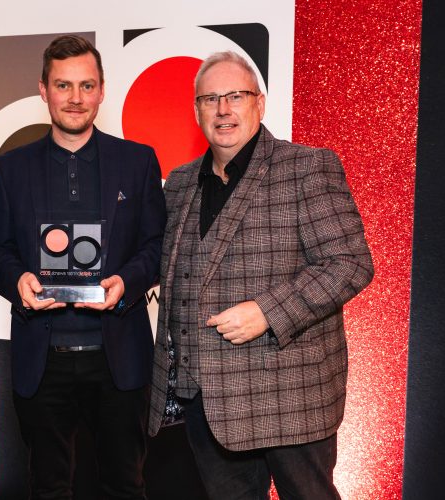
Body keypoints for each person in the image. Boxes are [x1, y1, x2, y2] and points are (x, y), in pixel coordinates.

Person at [148, 51, 374, 499]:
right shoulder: (179, 182)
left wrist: (268, 312)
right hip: (206, 402)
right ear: (196, 110)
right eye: (210, 99)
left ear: (260, 103)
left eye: (236, 96)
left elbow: (350, 262)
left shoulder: (307, 167)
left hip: (289, 400)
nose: (223, 109)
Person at [0, 35, 166, 499]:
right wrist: (17, 280)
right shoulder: (10, 168)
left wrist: (127, 281)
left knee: (125, 486)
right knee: (47, 488)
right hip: (41, 357)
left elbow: (156, 245)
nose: (75, 98)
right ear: (43, 90)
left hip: (118, 356)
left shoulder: (138, 161)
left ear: (102, 90)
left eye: (86, 86)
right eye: (63, 85)